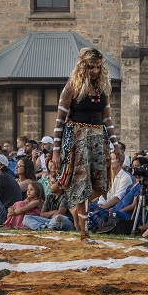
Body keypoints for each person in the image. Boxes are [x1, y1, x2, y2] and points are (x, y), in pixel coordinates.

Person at [51, 47, 120, 242]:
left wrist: (115, 145)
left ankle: (76, 206)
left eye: (98, 67)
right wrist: (56, 152)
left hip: (98, 139)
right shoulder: (72, 87)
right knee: (82, 185)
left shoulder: (102, 89)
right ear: (83, 66)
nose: (95, 71)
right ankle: (84, 232)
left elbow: (108, 119)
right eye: (91, 67)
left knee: (100, 185)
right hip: (77, 140)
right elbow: (59, 121)